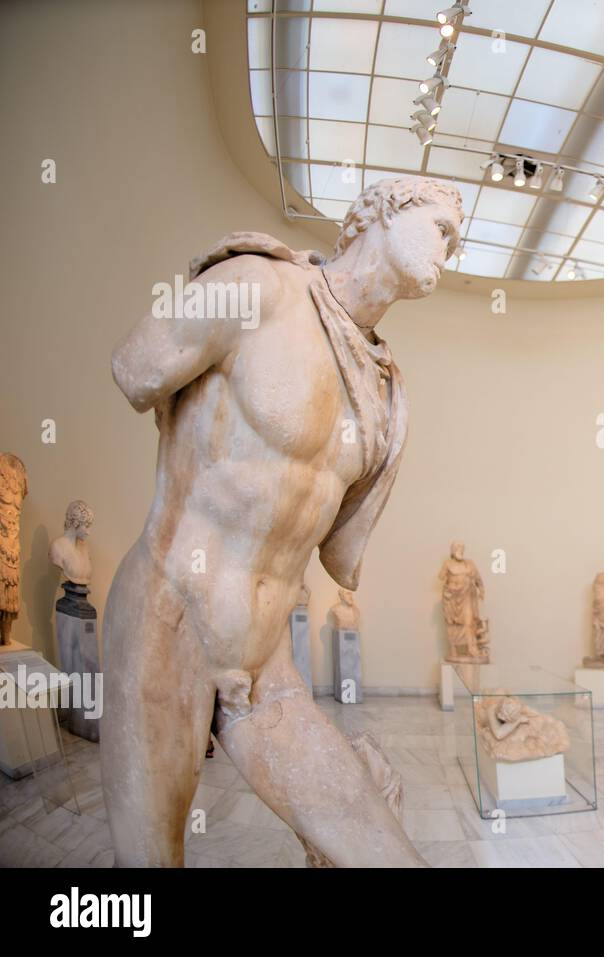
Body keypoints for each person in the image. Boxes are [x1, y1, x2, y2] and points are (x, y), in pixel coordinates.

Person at [102, 176, 463, 866]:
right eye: (441, 228)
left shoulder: (385, 393)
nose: (451, 250)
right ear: (385, 210)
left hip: (267, 665)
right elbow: (137, 367)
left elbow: (331, 548)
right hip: (166, 619)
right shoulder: (260, 288)